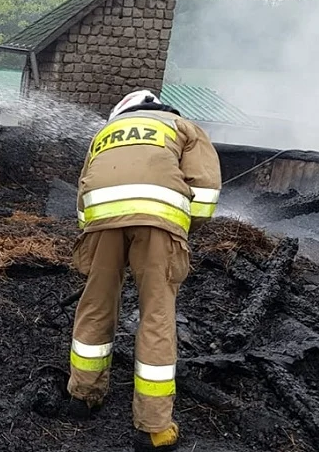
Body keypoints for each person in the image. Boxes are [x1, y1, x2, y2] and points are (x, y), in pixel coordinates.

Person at [66, 90, 222, 451]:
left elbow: (82, 196)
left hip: (101, 224)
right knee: (156, 315)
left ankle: (82, 397)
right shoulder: (184, 128)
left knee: (95, 305)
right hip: (159, 226)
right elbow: (206, 190)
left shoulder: (104, 134)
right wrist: (180, 228)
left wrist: (95, 231)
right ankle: (153, 428)